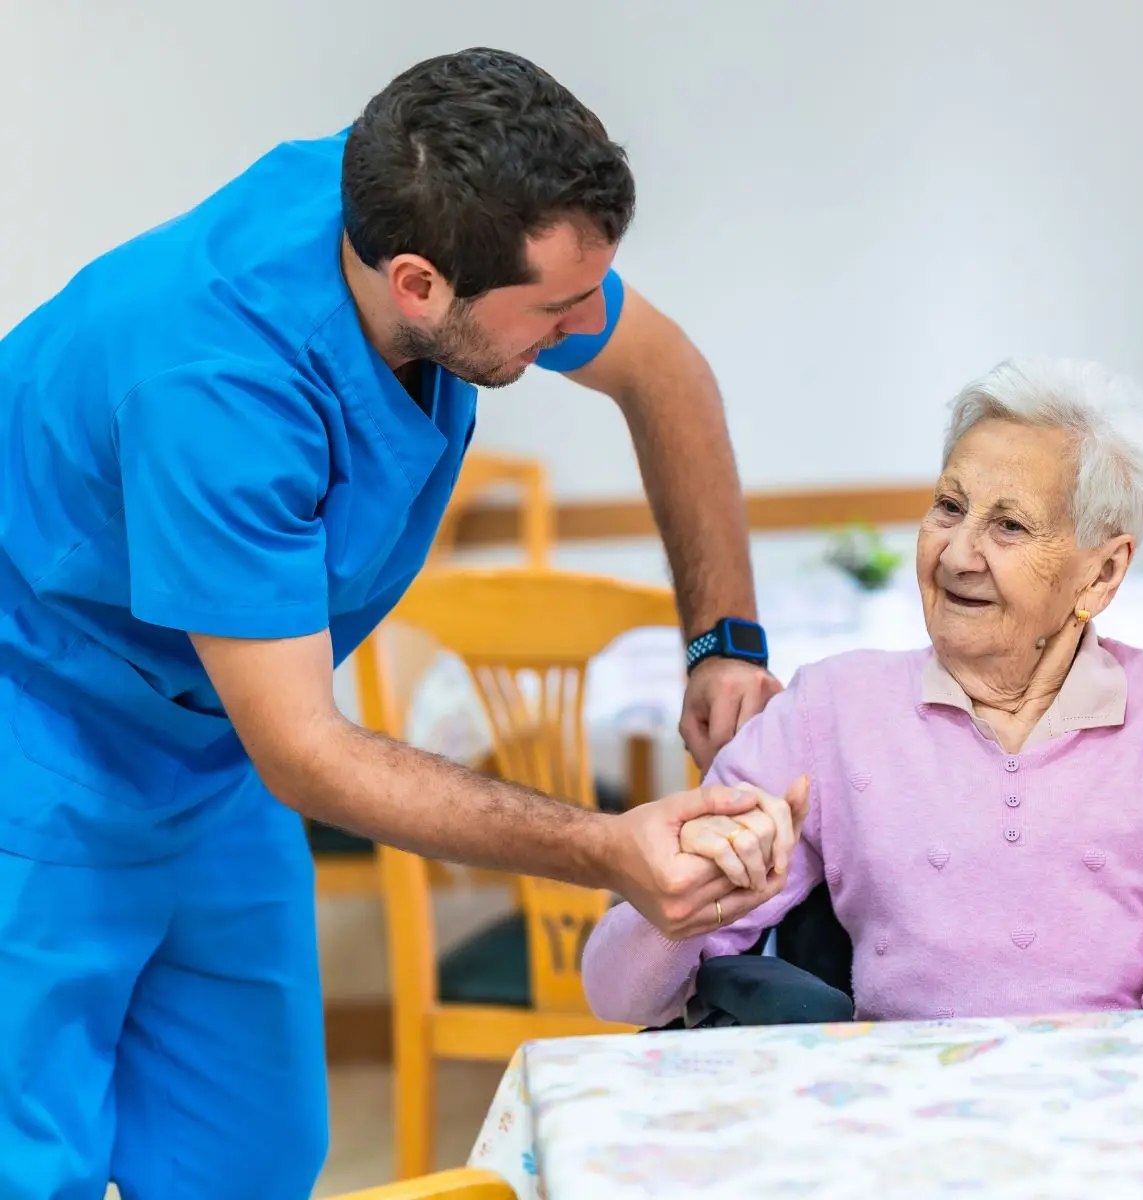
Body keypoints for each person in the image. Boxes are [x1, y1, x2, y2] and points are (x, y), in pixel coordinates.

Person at [0, 48, 803, 1199]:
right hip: (34, 740)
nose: (587, 325)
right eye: (558, 310)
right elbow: (309, 751)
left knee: (251, 1158)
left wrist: (723, 639)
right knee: (31, 1166)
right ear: (421, 284)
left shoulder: (424, 199)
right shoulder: (217, 385)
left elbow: (663, 372)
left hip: (206, 750)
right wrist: (604, 850)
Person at [583, 357, 1143, 1027]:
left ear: (1101, 574)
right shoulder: (832, 709)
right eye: (949, 506)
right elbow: (617, 995)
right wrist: (696, 893)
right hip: (897, 1117)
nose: (957, 554)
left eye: (1009, 525)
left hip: (1117, 1119)